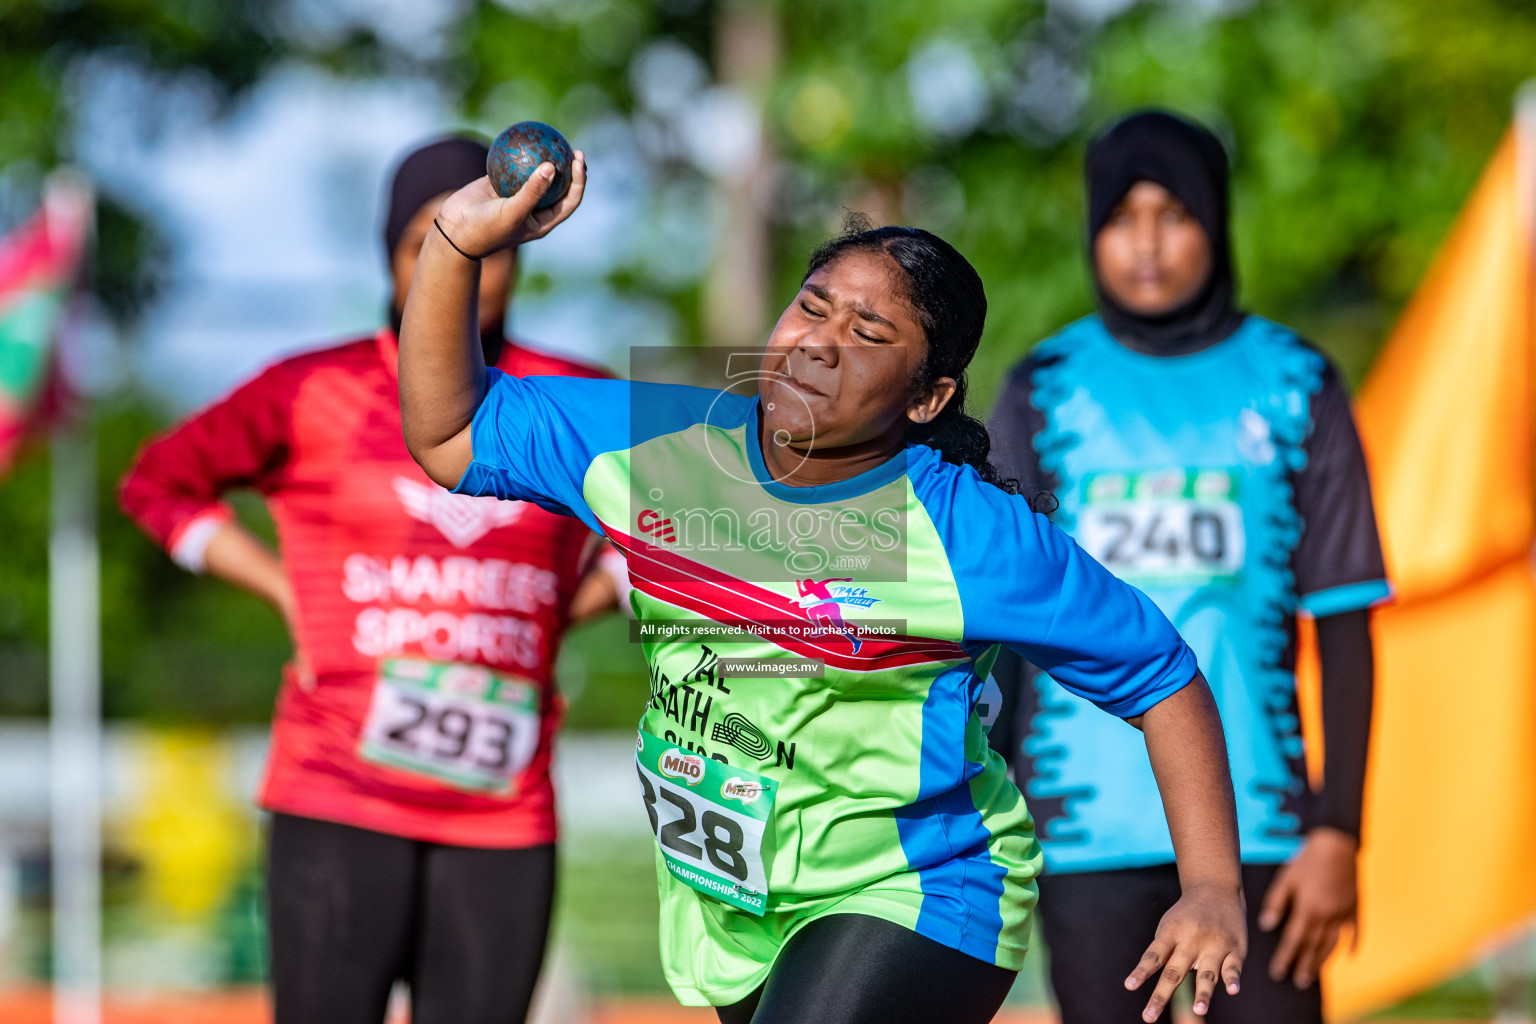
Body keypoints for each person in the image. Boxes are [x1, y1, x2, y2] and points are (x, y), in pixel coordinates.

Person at [393, 156, 1248, 1024]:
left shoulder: (966, 534)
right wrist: (456, 246)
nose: (820, 342)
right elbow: (450, 432)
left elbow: (1161, 677)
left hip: (915, 889)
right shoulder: (656, 445)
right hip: (731, 901)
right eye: (811, 306)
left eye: (870, 336)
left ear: (929, 397)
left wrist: (1212, 886)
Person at [118, 135, 613, 1024]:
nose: (460, 259)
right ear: (391, 255)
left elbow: (672, 526)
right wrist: (279, 586)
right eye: (427, 236)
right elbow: (156, 485)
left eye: (488, 241)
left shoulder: (575, 397)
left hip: (503, 810)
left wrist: (571, 610)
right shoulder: (312, 389)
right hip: (336, 790)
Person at [985, 110, 1389, 1024]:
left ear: (1216, 219)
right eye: (1122, 217)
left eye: (1175, 213)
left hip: (1262, 830)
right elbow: (1005, 630)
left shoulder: (1297, 381)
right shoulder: (1043, 386)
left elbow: (1349, 623)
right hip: (1084, 832)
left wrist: (1337, 833)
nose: (1148, 244)